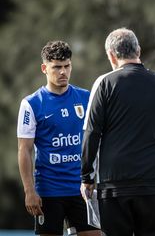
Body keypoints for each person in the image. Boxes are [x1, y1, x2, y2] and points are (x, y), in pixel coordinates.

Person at [80, 27, 155, 236]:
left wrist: (87, 176)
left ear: (111, 55)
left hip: (116, 181)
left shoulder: (105, 83)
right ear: (138, 51)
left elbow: (92, 132)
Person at [17, 40, 100, 236]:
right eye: (57, 67)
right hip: (48, 190)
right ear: (44, 68)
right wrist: (29, 190)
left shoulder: (86, 97)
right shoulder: (31, 104)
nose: (63, 72)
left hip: (82, 189)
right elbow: (24, 150)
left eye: (67, 66)